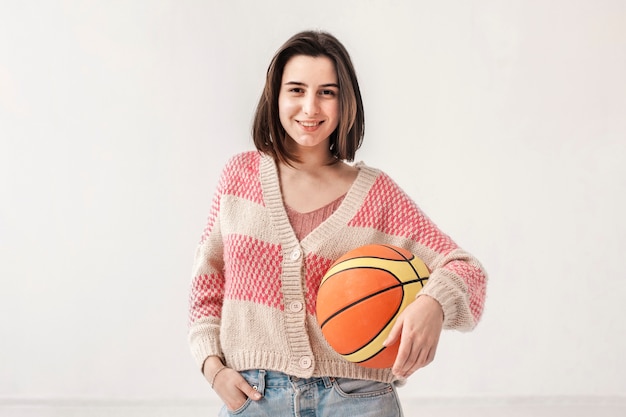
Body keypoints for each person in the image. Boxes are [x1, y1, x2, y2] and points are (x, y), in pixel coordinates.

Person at [188, 30, 487, 417]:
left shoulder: (378, 195)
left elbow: (466, 269)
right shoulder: (239, 178)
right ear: (275, 96)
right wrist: (213, 369)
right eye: (296, 90)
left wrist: (433, 303)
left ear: (345, 102)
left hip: (357, 398)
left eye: (327, 92)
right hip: (255, 397)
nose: (310, 107)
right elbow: (207, 283)